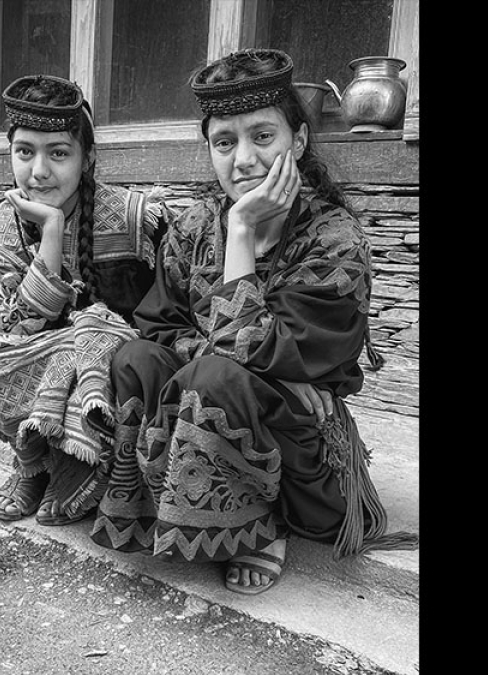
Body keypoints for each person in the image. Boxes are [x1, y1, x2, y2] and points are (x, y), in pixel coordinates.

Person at [85, 49, 418, 594]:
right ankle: (152, 507)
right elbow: (157, 330)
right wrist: (261, 370)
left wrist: (240, 234)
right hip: (228, 399)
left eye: (263, 137)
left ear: (299, 141)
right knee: (136, 360)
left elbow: (265, 352)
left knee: (214, 377)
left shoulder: (334, 241)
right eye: (225, 142)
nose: (244, 159)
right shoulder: (192, 228)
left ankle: (259, 529)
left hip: (301, 446)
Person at [0, 74, 170, 527]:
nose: (39, 171)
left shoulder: (135, 218)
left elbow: (167, 311)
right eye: (24, 152)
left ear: (87, 159)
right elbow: (16, 330)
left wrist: (97, 334)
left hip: (116, 376)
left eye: (59, 153)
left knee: (97, 345)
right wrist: (51, 231)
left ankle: (83, 466)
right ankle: (33, 460)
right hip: (45, 369)